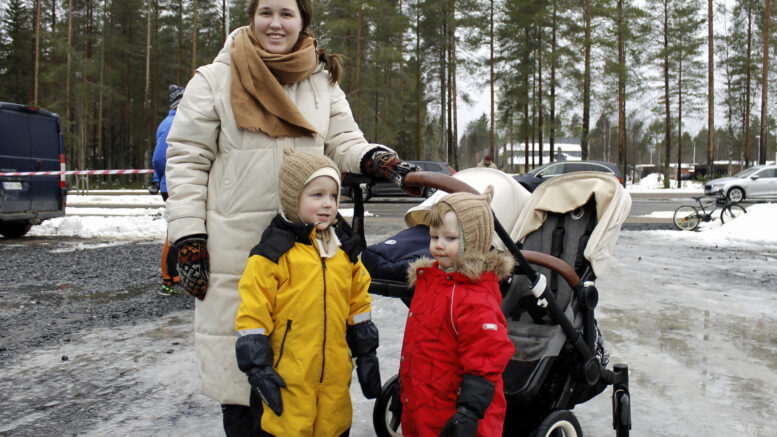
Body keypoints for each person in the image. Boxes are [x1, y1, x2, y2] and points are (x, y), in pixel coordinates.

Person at [163, 0, 418, 434]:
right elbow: (187, 161)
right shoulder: (213, 80)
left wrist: (378, 159)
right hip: (236, 251)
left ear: (303, 21)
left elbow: (344, 142)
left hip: (307, 250)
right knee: (244, 384)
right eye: (266, 12)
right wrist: (188, 235)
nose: (275, 23)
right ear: (251, 16)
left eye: (286, 13)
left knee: (304, 371)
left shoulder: (321, 83)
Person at [234, 148, 381, 436]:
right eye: (317, 195)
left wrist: (366, 353)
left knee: (334, 427)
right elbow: (252, 314)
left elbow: (358, 304)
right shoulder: (273, 254)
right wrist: (257, 368)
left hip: (335, 379)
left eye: (333, 196)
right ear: (293, 198)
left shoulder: (344, 251)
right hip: (288, 379)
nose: (328, 204)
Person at [400, 186, 516, 437]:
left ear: (473, 241)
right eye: (434, 237)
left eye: (450, 239)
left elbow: (486, 358)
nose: (439, 245)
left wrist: (470, 412)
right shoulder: (430, 280)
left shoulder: (475, 297)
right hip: (425, 405)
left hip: (458, 417)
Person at [151, 84, 185, 296]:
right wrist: (162, 179)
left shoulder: (175, 122)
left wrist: (157, 179)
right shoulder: (172, 123)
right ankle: (168, 280)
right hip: (175, 185)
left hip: (175, 183)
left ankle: (174, 277)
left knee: (180, 230)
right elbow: (160, 158)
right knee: (175, 232)